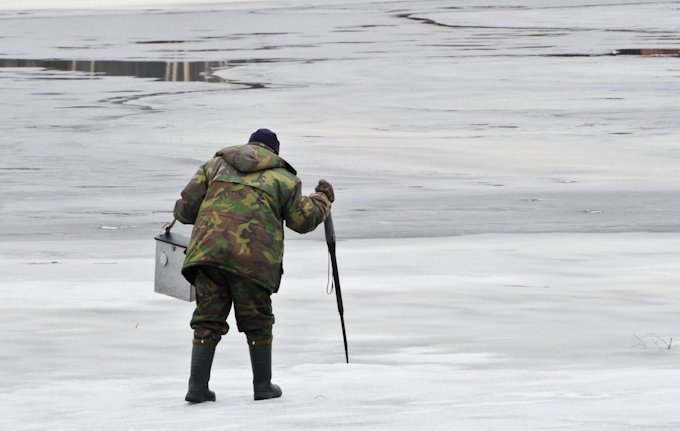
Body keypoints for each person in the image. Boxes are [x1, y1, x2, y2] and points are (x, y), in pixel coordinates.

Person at [173, 128, 334, 402]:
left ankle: (197, 387)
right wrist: (323, 199)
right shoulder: (284, 178)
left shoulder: (214, 165)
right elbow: (302, 220)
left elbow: (186, 210)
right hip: (253, 260)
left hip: (208, 255)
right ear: (274, 153)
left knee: (207, 320)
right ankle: (263, 385)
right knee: (258, 321)